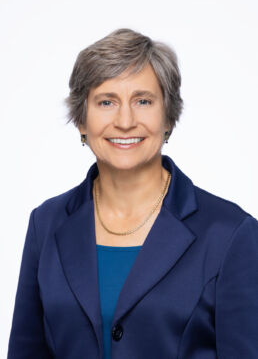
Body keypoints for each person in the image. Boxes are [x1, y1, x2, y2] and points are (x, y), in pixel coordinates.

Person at [7, 28, 258, 359]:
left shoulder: (230, 234)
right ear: (82, 121)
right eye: (106, 101)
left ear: (168, 116)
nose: (125, 121)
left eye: (143, 101)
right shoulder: (46, 223)